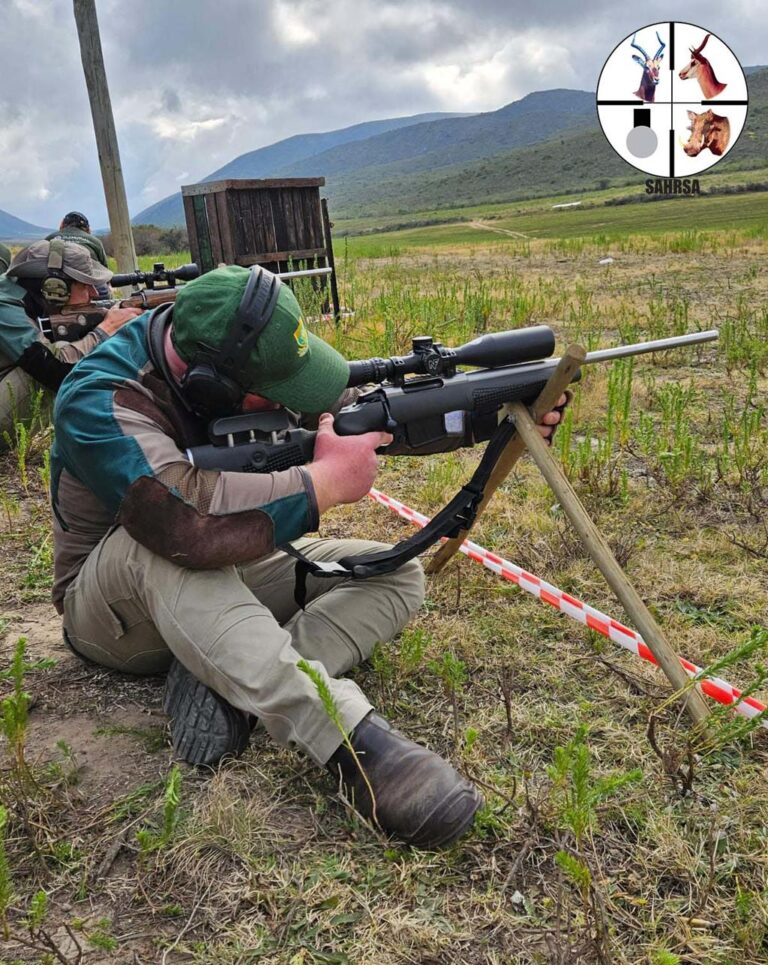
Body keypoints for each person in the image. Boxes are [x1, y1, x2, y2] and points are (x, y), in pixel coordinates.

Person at [51, 265, 566, 849]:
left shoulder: (235, 347)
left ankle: (231, 685)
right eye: (277, 392)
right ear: (212, 384)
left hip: (225, 565)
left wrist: (490, 417)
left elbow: (358, 417)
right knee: (164, 545)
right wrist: (323, 483)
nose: (289, 402)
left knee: (394, 574)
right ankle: (353, 744)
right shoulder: (98, 397)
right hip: (113, 608)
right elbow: (181, 524)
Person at [0, 239, 139, 442]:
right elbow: (55, 369)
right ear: (55, 288)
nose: (93, 293)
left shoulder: (23, 295)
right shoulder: (4, 304)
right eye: (85, 285)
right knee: (56, 364)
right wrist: (106, 329)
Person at [46, 212, 110, 299]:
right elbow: (105, 271)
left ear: (62, 225)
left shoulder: (50, 238)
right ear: (88, 229)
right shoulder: (94, 241)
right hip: (90, 285)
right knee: (104, 294)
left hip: (55, 286)